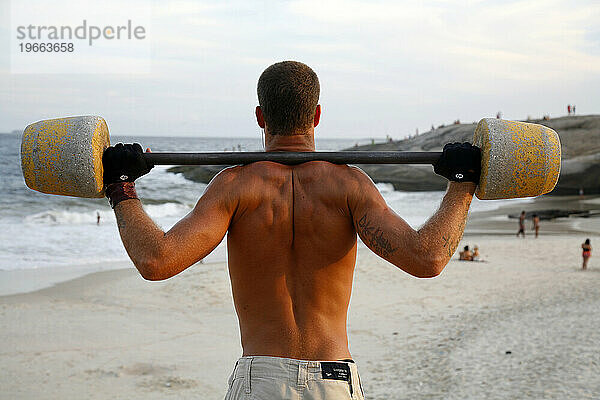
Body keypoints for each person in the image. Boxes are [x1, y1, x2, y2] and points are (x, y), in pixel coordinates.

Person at [101, 61, 481, 400]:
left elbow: (157, 261)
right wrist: (461, 183)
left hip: (262, 378)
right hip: (334, 381)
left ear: (260, 116)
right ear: (316, 115)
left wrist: (122, 186)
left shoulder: (235, 186)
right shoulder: (350, 186)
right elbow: (427, 258)